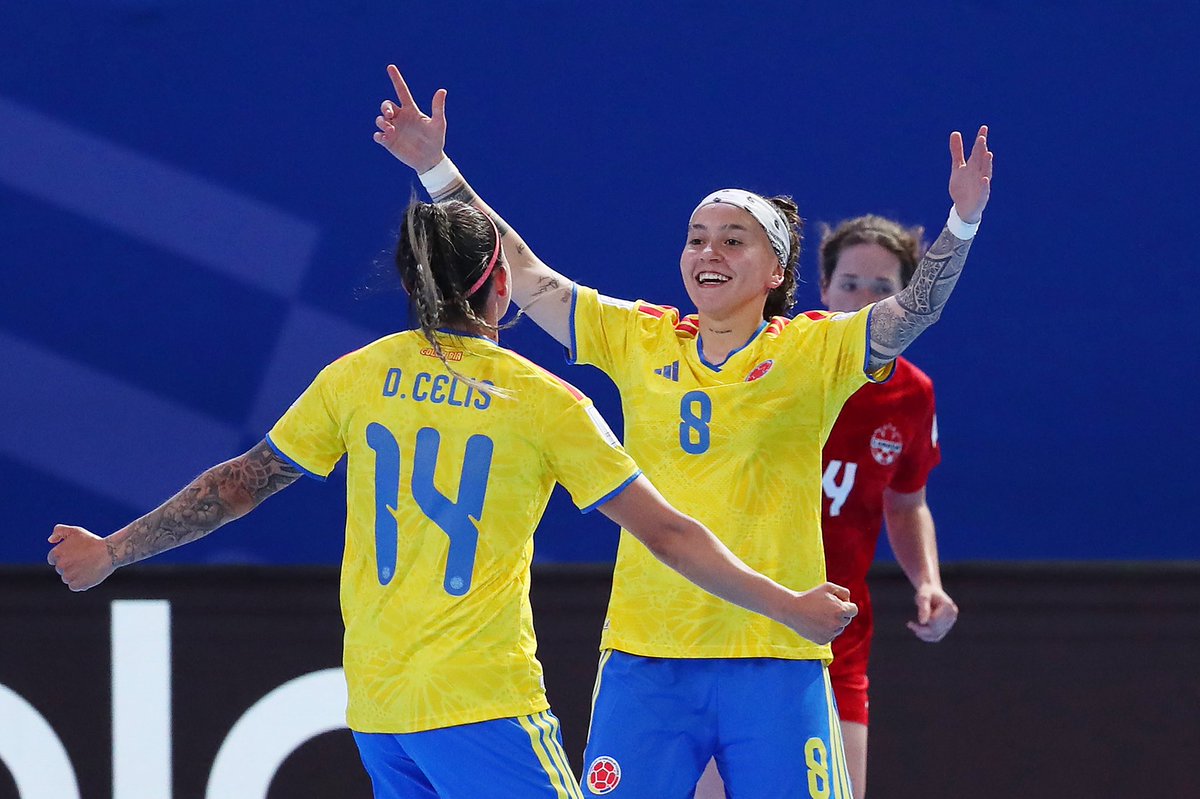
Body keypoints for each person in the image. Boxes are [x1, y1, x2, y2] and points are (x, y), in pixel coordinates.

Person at [47, 198, 860, 799]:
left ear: (409, 278)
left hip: (379, 708)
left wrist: (112, 549)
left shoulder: (356, 377)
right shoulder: (542, 402)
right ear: (500, 282)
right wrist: (786, 604)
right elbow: (673, 538)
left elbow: (234, 486)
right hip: (482, 701)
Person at [374, 63, 992, 798]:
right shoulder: (642, 338)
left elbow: (913, 312)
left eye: (733, 240)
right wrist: (435, 167)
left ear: (775, 270)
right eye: (697, 237)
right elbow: (527, 273)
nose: (709, 252)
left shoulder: (811, 350)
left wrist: (962, 222)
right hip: (647, 658)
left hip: (775, 653)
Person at [693, 215, 960, 799]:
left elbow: (906, 502)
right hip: (736, 624)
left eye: (883, 288)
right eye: (850, 283)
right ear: (821, 289)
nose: (863, 299)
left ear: (906, 302)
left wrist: (928, 582)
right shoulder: (763, 362)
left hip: (834, 636)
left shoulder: (911, 393)